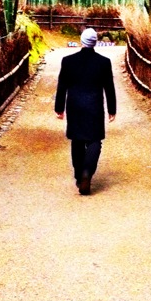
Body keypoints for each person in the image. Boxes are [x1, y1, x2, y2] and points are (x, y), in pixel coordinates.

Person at [55, 28, 116, 195]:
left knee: (77, 140)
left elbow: (62, 86)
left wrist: (59, 108)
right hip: (94, 105)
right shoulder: (103, 62)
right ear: (95, 42)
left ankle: (78, 175)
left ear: (81, 41)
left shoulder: (68, 61)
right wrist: (112, 109)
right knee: (95, 140)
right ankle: (87, 173)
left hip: (74, 105)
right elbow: (109, 88)